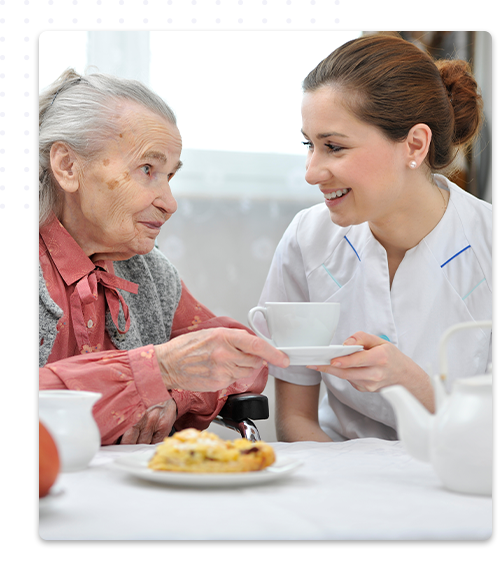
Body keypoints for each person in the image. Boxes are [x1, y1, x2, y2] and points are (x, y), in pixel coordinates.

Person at [257, 34, 492, 442]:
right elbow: (297, 421)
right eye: (308, 145)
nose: (311, 171)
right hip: (337, 474)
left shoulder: (490, 242)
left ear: (414, 144)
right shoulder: (307, 238)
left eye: (333, 146)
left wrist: (410, 381)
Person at [39, 69, 289, 445]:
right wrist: (157, 370)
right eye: (147, 170)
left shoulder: (148, 270)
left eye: (169, 175)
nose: (169, 203)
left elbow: (241, 356)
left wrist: (176, 392)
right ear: (68, 166)